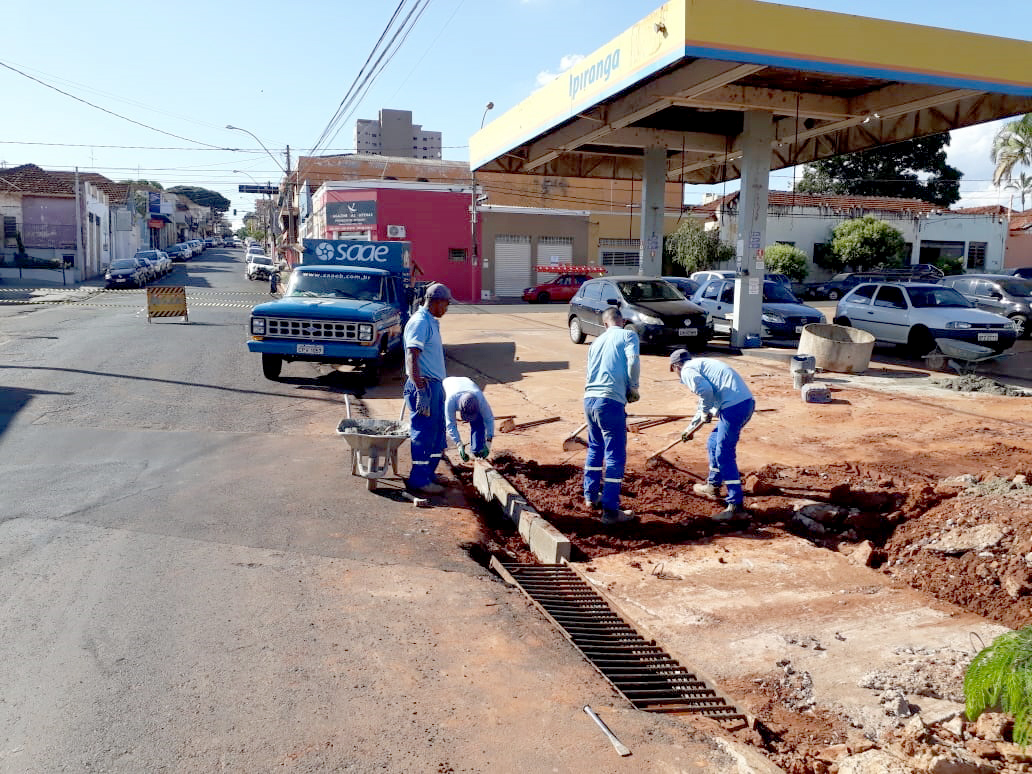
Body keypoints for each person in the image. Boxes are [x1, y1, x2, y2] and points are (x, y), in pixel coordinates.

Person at [668, 349, 755, 521]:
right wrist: (690, 429)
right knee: (713, 442)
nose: (677, 374)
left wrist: (705, 412)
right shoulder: (702, 365)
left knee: (724, 454)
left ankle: (735, 506)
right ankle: (713, 485)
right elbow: (706, 404)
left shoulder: (687, 369)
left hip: (734, 408)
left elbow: (705, 393)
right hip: (743, 404)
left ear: (676, 365)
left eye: (674, 370)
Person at [582, 307, 640, 525]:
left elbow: (589, 372)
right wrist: (633, 388)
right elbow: (633, 361)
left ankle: (590, 496)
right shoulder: (628, 335)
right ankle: (610, 511)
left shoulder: (596, 342)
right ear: (622, 321)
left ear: (604, 324)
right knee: (615, 454)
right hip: (610, 400)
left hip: (589, 400)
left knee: (595, 448)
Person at [403, 282, 451, 496]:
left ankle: (428, 473)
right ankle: (419, 479)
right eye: (446, 304)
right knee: (423, 431)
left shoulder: (431, 321)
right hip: (424, 386)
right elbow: (412, 356)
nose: (447, 309)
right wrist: (420, 388)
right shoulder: (420, 322)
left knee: (436, 432)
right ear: (436, 302)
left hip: (434, 386)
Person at [443, 376, 494, 461]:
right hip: (446, 385)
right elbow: (450, 424)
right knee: (440, 420)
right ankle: (439, 450)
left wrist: (489, 441)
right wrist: (458, 444)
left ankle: (477, 451)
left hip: (466, 382)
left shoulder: (479, 398)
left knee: (478, 421)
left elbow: (489, 419)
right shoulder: (450, 401)